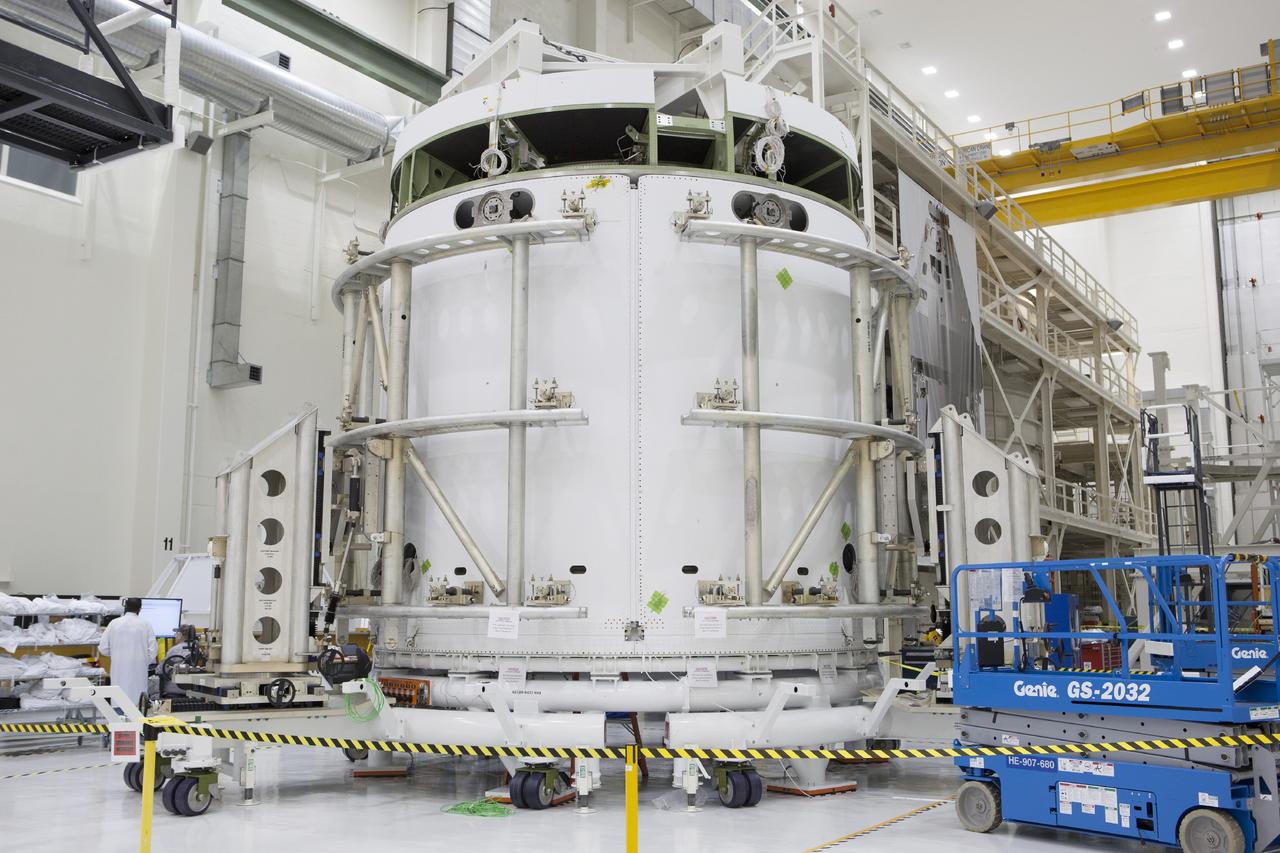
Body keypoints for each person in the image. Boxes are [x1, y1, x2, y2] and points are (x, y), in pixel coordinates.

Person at [99, 598, 158, 711]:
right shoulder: (145, 624)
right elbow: (153, 650)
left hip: (118, 671)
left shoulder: (114, 623)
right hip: (139, 672)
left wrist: (116, 654)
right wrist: (144, 661)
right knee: (138, 708)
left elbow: (103, 649)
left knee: (119, 705)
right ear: (140, 609)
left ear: (125, 607)